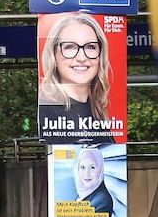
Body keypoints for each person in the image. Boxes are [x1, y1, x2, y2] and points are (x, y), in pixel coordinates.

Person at [38, 13, 115, 144]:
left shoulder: (96, 109)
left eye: (90, 47)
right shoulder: (47, 109)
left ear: (100, 55)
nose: (81, 58)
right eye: (70, 47)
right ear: (53, 55)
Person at [63, 147, 114, 217]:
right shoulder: (84, 194)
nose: (87, 173)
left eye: (92, 167)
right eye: (82, 167)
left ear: (100, 169)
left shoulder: (102, 201)